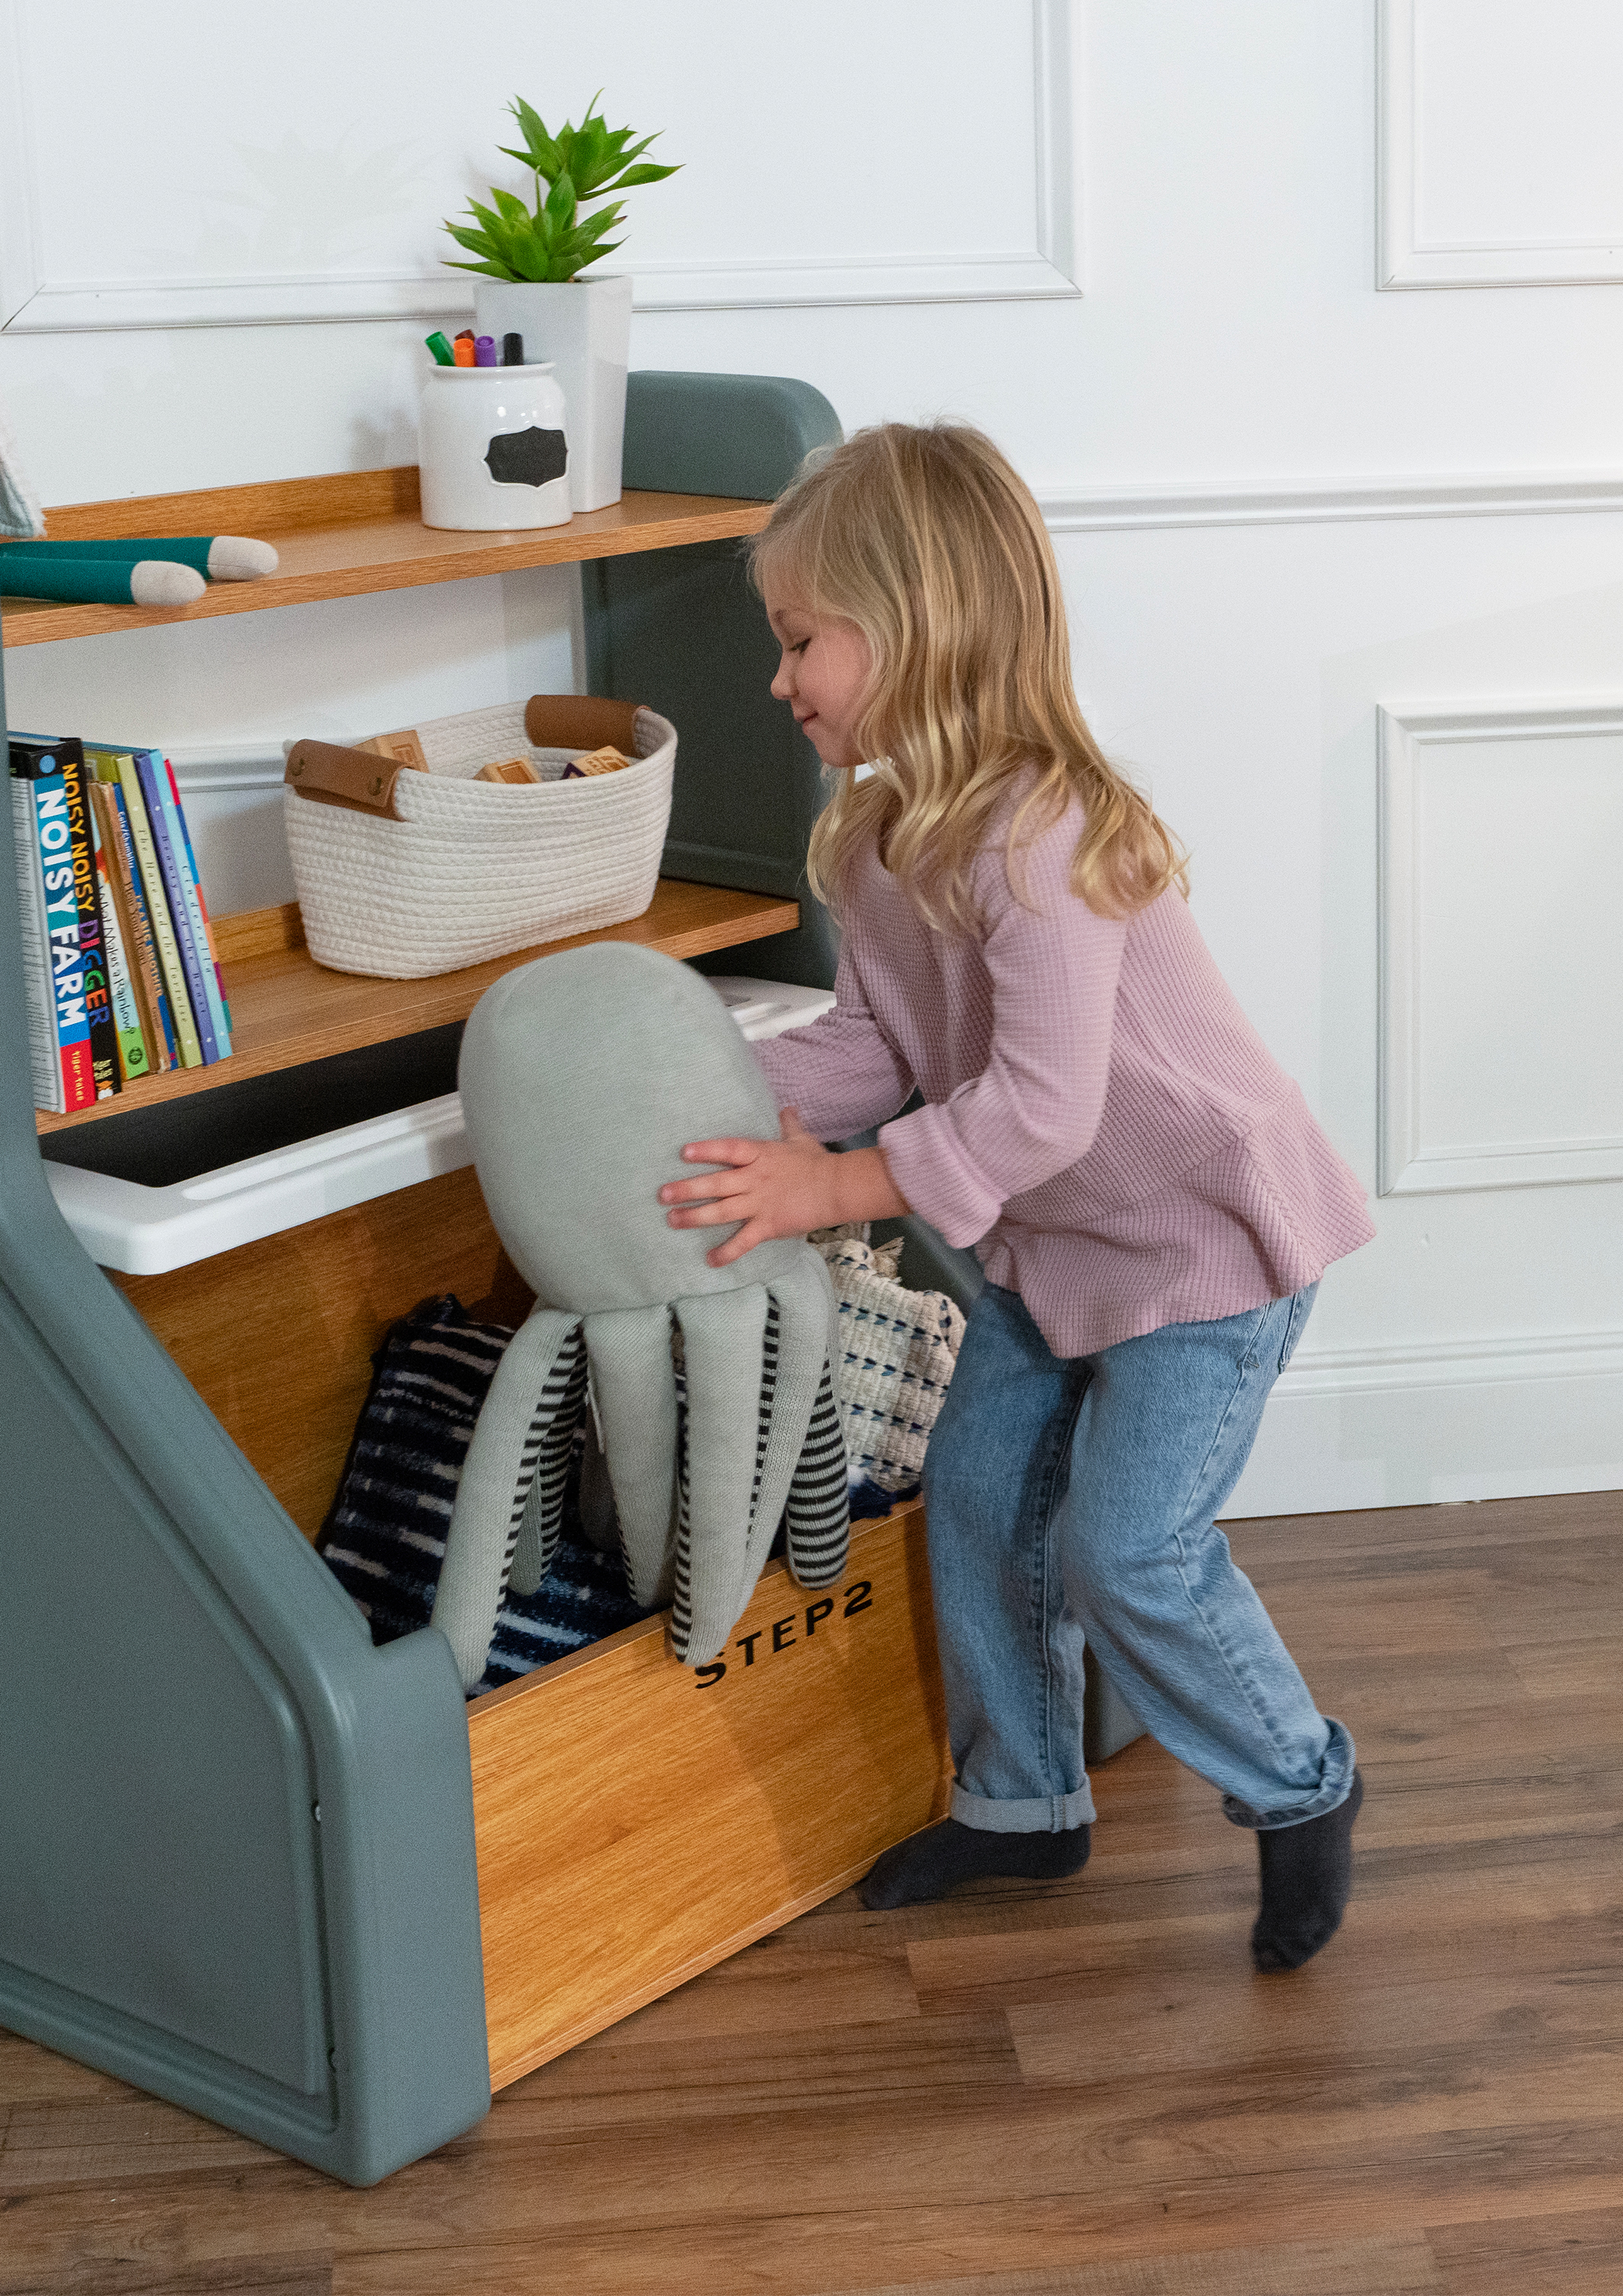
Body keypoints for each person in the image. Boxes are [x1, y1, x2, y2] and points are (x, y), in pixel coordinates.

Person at [657, 422, 1375, 1972]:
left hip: (1201, 1249)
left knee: (1131, 1547)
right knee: (979, 1502)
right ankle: (1020, 1807)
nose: (782, 683)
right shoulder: (874, 836)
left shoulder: (1043, 829)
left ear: (918, 624)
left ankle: (1300, 1780)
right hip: (1058, 1253)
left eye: (802, 642)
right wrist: (741, 1106)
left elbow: (1043, 1100)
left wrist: (836, 1186)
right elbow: (881, 1042)